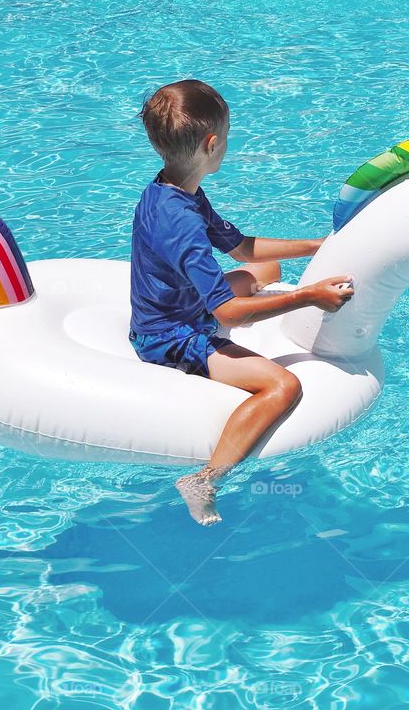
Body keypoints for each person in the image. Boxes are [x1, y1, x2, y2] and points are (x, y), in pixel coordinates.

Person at [130, 79, 354, 526]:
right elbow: (227, 314)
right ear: (212, 145)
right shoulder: (182, 224)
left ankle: (206, 478)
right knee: (283, 387)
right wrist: (308, 297)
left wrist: (318, 246)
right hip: (168, 335)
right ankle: (205, 479)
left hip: (182, 302)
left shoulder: (176, 189)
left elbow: (243, 250)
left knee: (264, 273)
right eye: (227, 138)